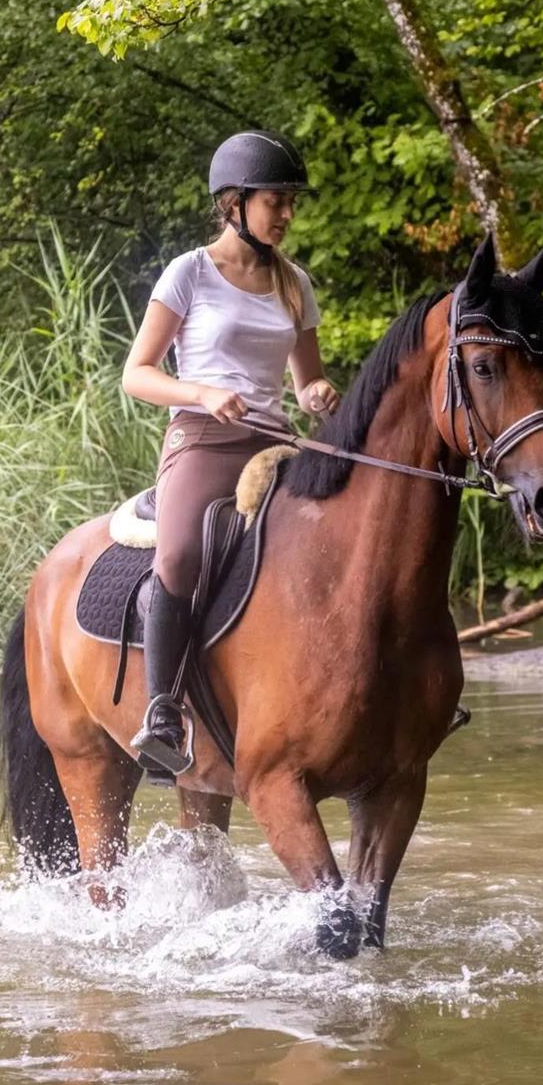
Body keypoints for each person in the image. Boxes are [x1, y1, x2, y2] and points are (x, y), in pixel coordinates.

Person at [121, 130, 339, 783]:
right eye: (277, 201)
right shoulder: (188, 272)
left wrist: (319, 393)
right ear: (233, 202)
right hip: (204, 441)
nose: (287, 214)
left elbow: (306, 385)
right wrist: (201, 392)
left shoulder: (293, 282)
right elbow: (137, 373)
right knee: (181, 552)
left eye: (291, 202)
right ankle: (162, 713)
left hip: (275, 442)